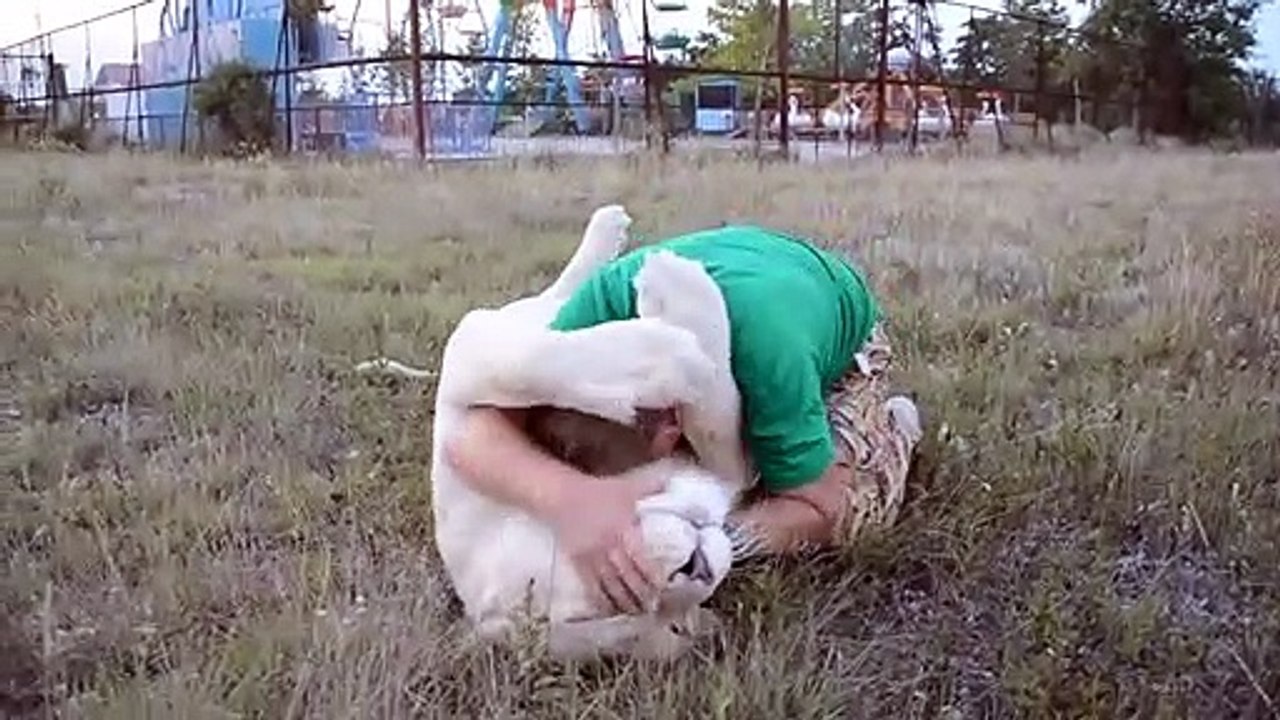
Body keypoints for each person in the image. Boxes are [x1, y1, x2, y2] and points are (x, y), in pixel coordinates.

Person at [443, 223, 922, 616]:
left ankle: (897, 427)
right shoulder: (594, 318)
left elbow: (819, 507)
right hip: (744, 266)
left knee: (852, 513)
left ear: (670, 426)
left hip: (838, 326)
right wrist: (573, 500)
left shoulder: (771, 360)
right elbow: (472, 436)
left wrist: (703, 544)